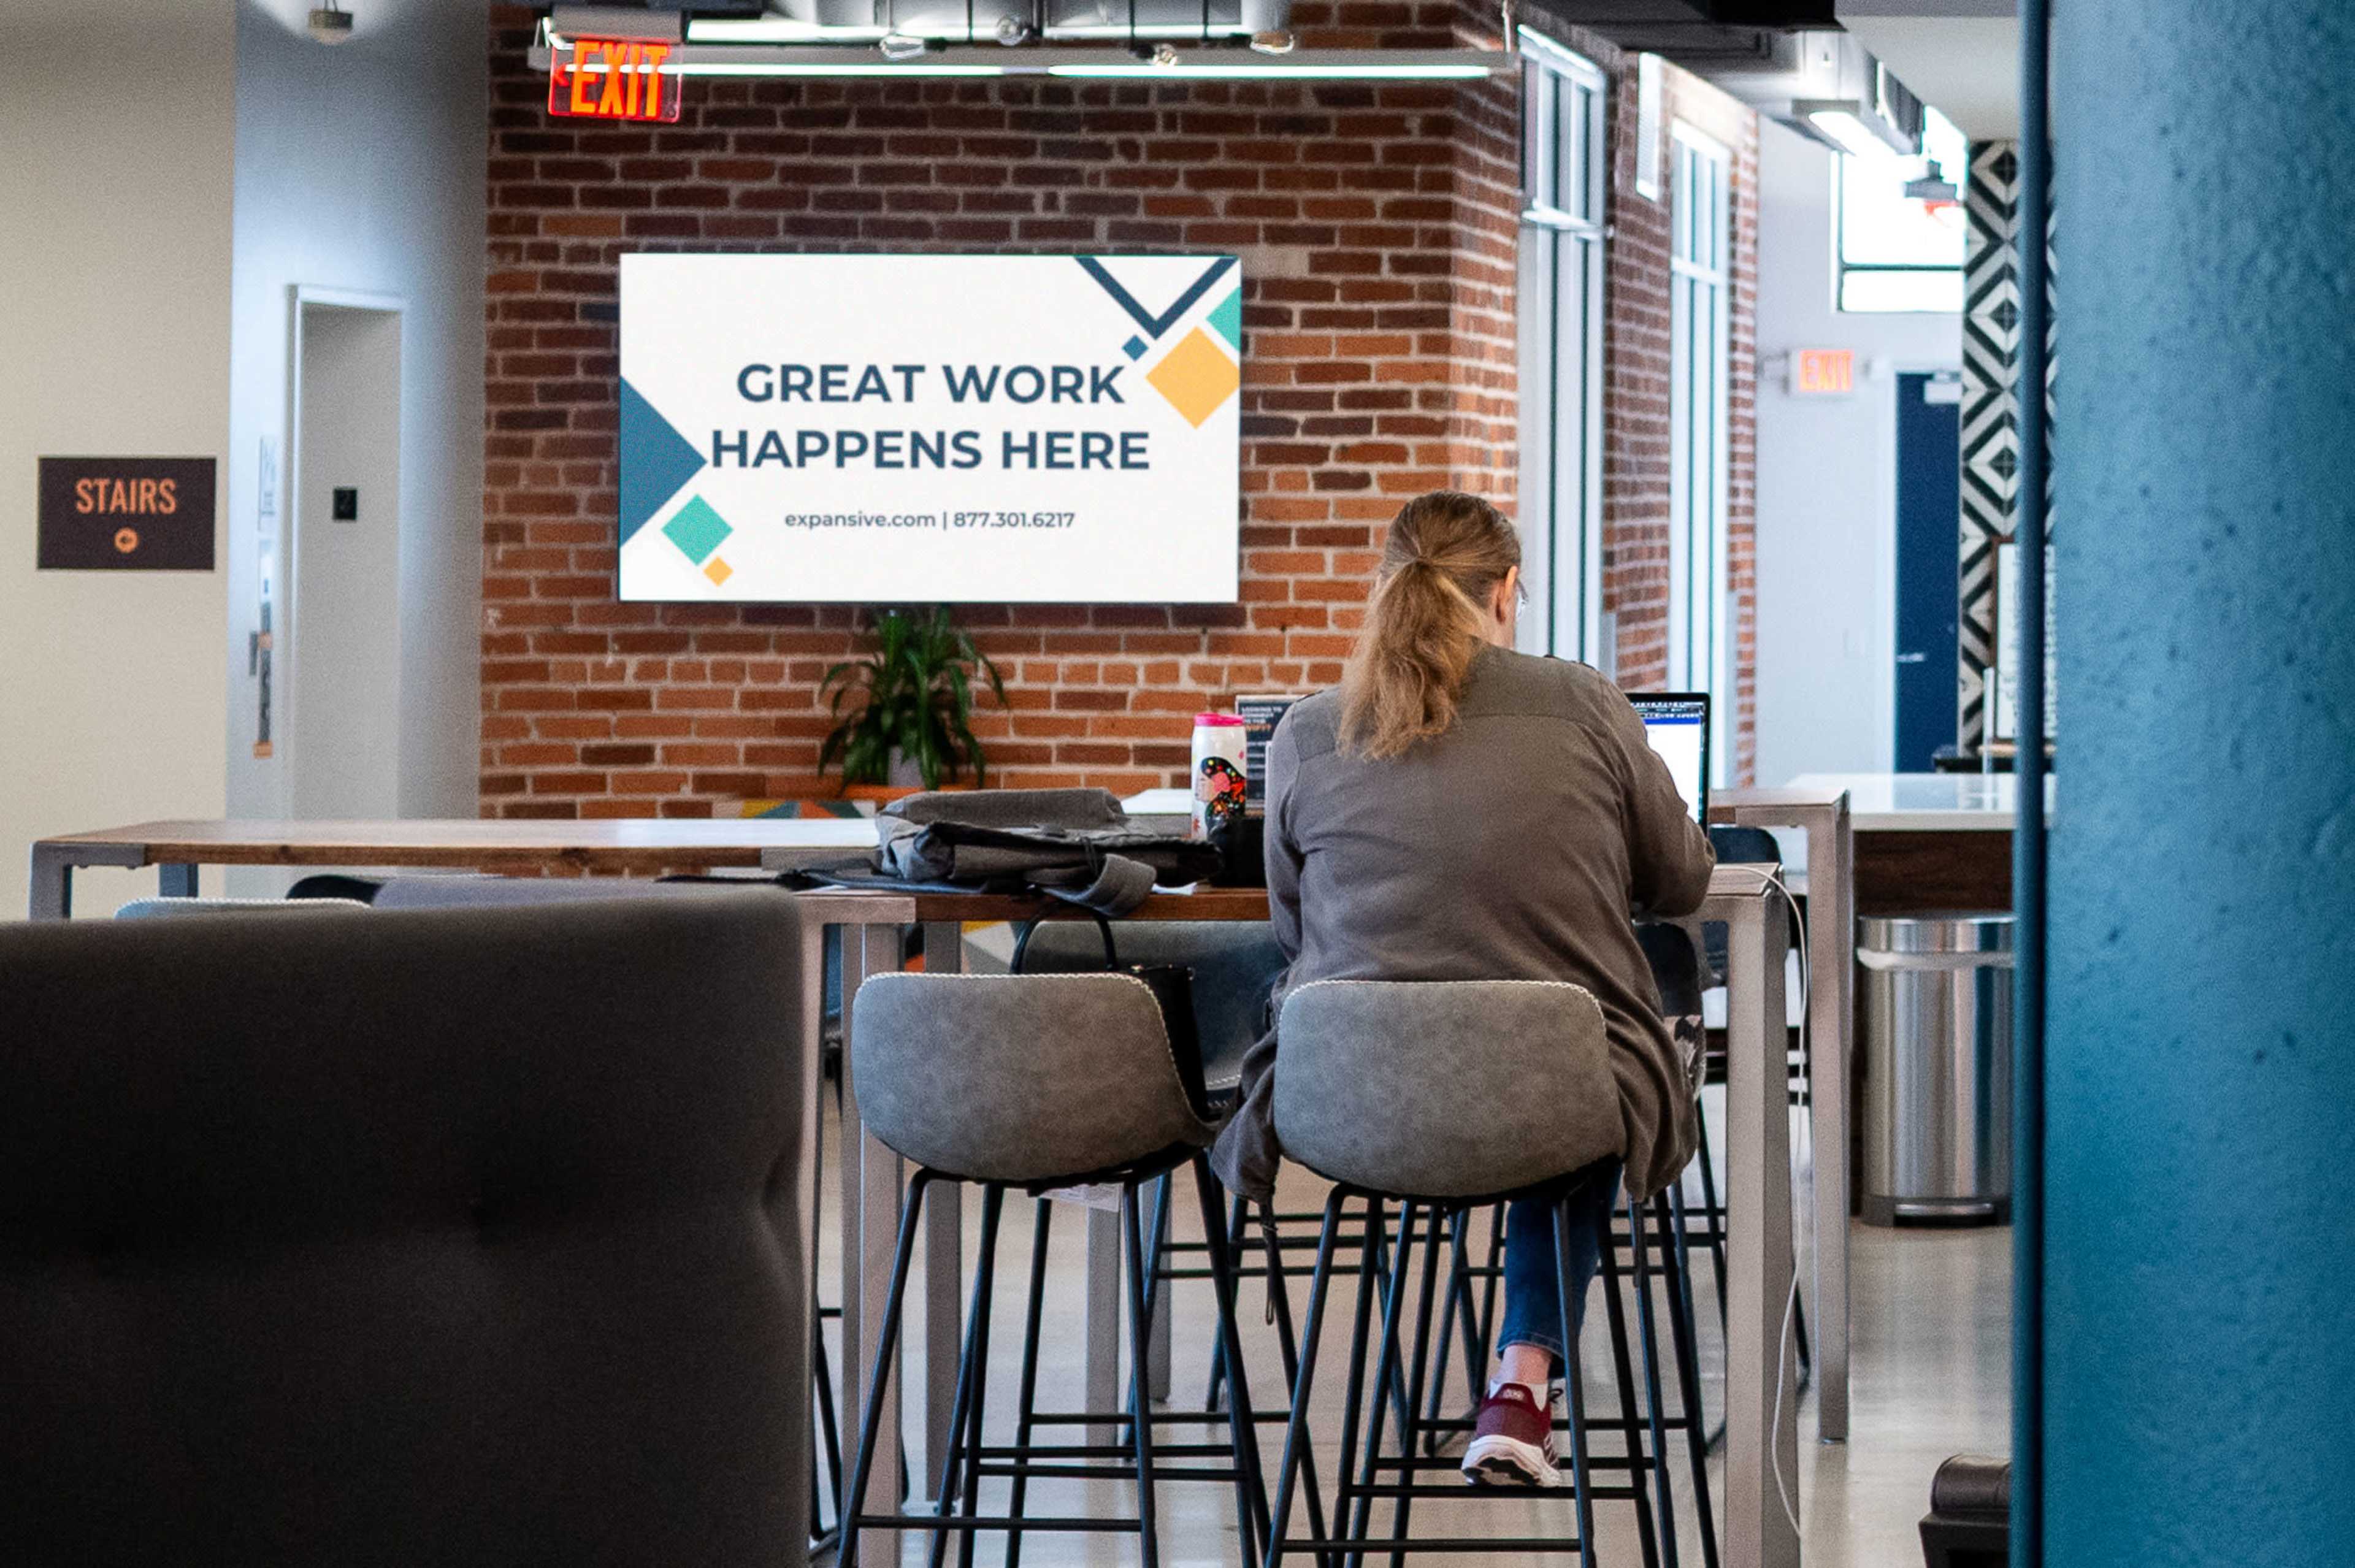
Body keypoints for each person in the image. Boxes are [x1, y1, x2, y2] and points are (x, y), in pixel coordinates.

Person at [1210, 489, 1716, 1488]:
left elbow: (1290, 927)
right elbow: (1684, 879)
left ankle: (1447, 1386)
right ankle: (1522, 1378)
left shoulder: (1309, 734)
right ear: (1507, 591)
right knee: (1573, 1061)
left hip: (1355, 1103)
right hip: (1549, 1094)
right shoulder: (1583, 702)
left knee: (1534, 1053)